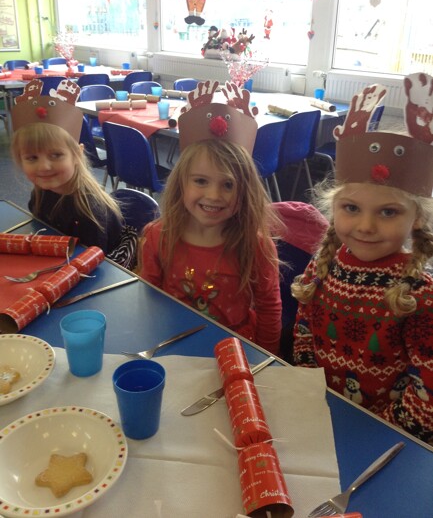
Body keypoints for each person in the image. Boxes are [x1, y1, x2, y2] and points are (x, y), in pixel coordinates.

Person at [291, 74, 433, 444]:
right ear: (333, 208)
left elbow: (428, 395)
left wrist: (379, 430)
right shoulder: (322, 266)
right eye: (351, 208)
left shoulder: (420, 294)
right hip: (320, 415)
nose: (366, 226)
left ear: (416, 218)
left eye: (388, 212)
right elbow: (304, 333)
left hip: (387, 438)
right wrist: (308, 392)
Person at [140, 138, 282, 355]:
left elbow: (269, 308)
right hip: (173, 340)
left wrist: (267, 359)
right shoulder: (158, 236)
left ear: (245, 191)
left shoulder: (256, 246)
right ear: (181, 184)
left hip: (235, 349)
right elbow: (150, 296)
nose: (214, 196)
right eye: (200, 181)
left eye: (228, 185)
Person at [10, 78, 136, 268]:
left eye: (56, 155)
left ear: (77, 154)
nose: (44, 166)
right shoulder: (41, 193)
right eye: (32, 158)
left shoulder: (89, 214)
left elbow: (93, 266)